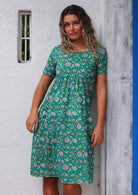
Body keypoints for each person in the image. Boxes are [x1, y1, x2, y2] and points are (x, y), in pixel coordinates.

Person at [26, 4, 107, 195]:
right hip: (50, 121)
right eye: (66, 25)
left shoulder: (98, 54)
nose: (71, 28)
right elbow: (43, 85)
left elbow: (102, 90)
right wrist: (33, 112)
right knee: (50, 177)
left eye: (75, 23)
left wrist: (99, 125)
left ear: (84, 24)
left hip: (77, 125)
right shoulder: (57, 53)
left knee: (71, 184)